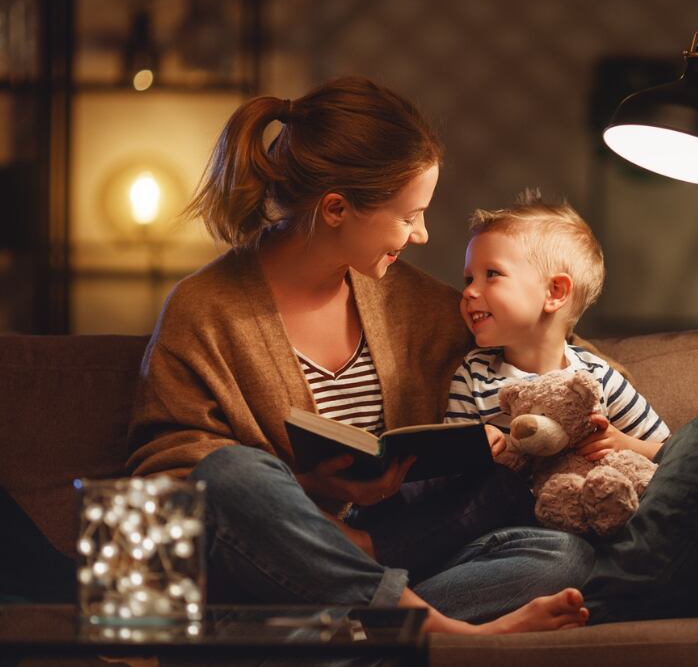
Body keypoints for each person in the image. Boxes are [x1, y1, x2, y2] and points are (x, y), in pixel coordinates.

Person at [126, 77, 593, 634]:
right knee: (229, 474)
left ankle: (343, 631)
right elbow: (171, 479)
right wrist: (311, 488)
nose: (421, 235)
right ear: (336, 208)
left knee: (563, 556)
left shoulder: (416, 303)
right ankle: (437, 633)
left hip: (397, 552)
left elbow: (550, 351)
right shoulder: (205, 309)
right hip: (273, 568)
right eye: (408, 215)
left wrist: (600, 423)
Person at [445, 191, 670, 462]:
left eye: (491, 274)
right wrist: (480, 445)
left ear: (555, 292)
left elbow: (671, 452)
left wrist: (625, 444)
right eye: (469, 279)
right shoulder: (473, 375)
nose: (469, 292)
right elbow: (449, 463)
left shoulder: (598, 378)